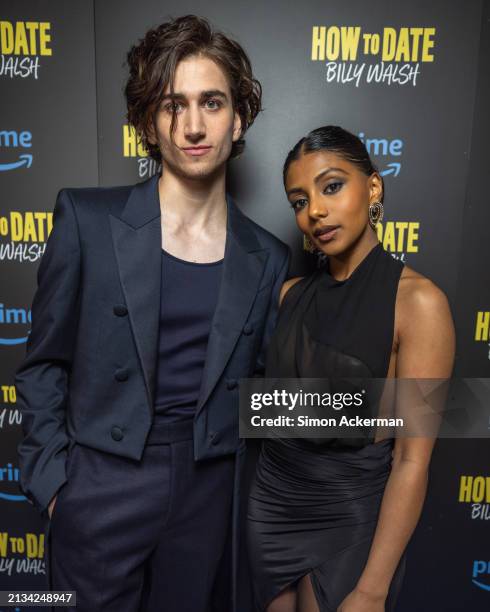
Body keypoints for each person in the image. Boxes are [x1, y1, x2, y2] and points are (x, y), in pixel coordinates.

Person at [15, 14, 289, 612]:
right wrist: (57, 487)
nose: (193, 125)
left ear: (238, 117)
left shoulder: (268, 257)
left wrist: (394, 407)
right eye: (173, 105)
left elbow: (266, 396)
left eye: (212, 102)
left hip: (208, 495)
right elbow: (42, 366)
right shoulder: (87, 221)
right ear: (148, 120)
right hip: (100, 485)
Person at [246, 125, 455, 612]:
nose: (314, 210)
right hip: (272, 504)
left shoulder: (419, 303)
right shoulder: (288, 296)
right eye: (299, 200)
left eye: (332, 186)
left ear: (374, 187)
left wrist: (373, 589)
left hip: (350, 516)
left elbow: (411, 460)